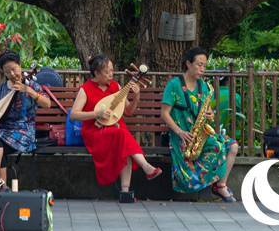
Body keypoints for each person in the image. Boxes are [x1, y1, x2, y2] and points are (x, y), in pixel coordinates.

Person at [70, 54, 163, 203]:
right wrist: (96, 113)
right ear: (96, 73)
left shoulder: (116, 87)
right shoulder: (85, 89)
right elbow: (74, 115)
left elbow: (128, 112)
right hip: (95, 132)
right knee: (122, 135)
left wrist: (136, 97)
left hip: (116, 128)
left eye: (112, 71)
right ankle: (145, 166)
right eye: (107, 72)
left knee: (121, 136)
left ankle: (125, 192)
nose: (111, 75)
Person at [160, 47, 239, 201]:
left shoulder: (203, 86)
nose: (202, 69)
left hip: (199, 135)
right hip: (182, 136)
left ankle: (220, 185)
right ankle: (208, 186)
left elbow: (206, 110)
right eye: (199, 64)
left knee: (233, 146)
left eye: (204, 65)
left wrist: (210, 114)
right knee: (217, 147)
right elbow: (164, 114)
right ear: (188, 64)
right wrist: (180, 132)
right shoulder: (174, 84)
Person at [0, 51, 51, 191]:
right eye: (8, 72)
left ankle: (0, 187)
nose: (12, 74)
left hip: (24, 132)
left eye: (14, 69)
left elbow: (47, 103)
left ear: (20, 66)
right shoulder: (3, 89)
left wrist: (29, 91)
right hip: (5, 130)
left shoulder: (32, 84)